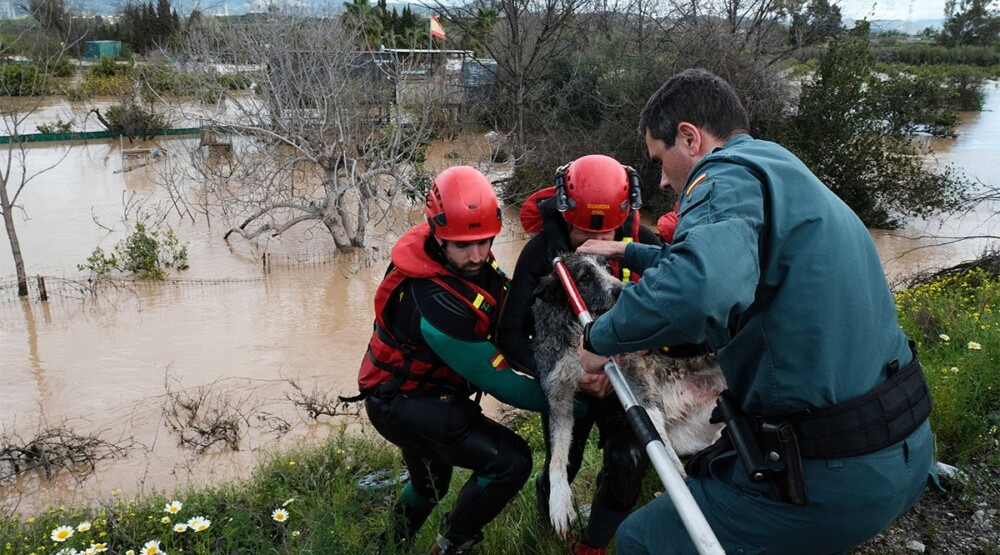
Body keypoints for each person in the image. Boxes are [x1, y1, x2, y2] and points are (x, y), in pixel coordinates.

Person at [575, 68, 936, 554]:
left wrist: (600, 340)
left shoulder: (721, 175)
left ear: (690, 138)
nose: (662, 178)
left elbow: (697, 288)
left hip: (833, 481)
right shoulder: (780, 169)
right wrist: (628, 252)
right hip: (907, 448)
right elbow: (743, 270)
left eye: (661, 160)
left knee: (644, 538)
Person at [355, 166, 551, 555]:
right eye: (463, 245)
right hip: (403, 402)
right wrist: (577, 400)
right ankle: (452, 544)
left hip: (415, 391)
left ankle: (388, 547)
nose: (477, 255)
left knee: (431, 484)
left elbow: (504, 307)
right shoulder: (434, 303)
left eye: (484, 241)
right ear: (437, 235)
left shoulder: (456, 258)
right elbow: (501, 382)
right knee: (510, 462)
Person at [495, 154, 663, 555]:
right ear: (564, 212)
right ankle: (550, 521)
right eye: (583, 232)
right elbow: (511, 334)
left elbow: (673, 320)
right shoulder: (539, 254)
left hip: (622, 376)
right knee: (563, 465)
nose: (594, 243)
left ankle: (593, 544)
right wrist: (562, 370)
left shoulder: (646, 246)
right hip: (566, 374)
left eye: (605, 233)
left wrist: (619, 363)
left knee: (628, 462)